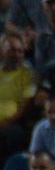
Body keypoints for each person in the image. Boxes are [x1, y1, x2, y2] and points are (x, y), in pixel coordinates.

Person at [0, 33, 36, 161]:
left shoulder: (27, 73)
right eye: (12, 51)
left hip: (14, 124)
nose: (17, 55)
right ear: (2, 51)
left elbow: (26, 106)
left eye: (20, 51)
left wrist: (6, 123)